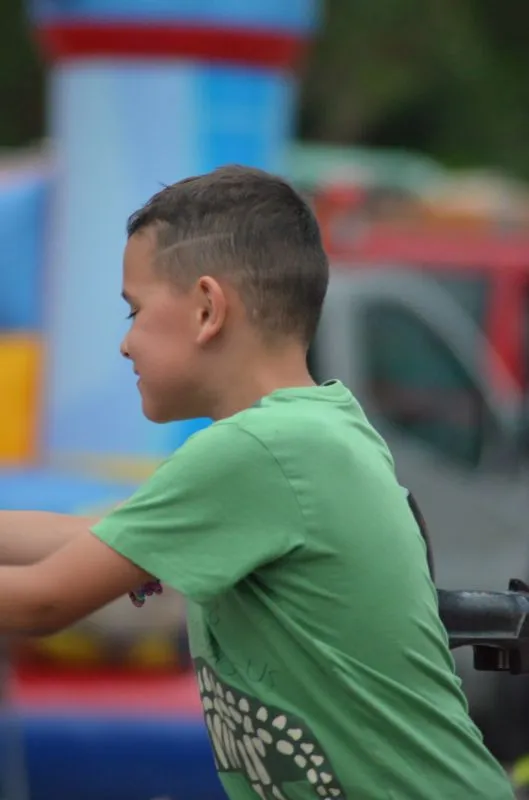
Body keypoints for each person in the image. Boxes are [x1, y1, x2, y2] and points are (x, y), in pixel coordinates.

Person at [0, 166, 514, 799]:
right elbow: (92, 537)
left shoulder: (258, 450)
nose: (125, 344)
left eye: (134, 311)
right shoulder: (316, 428)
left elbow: (43, 600)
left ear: (208, 309)